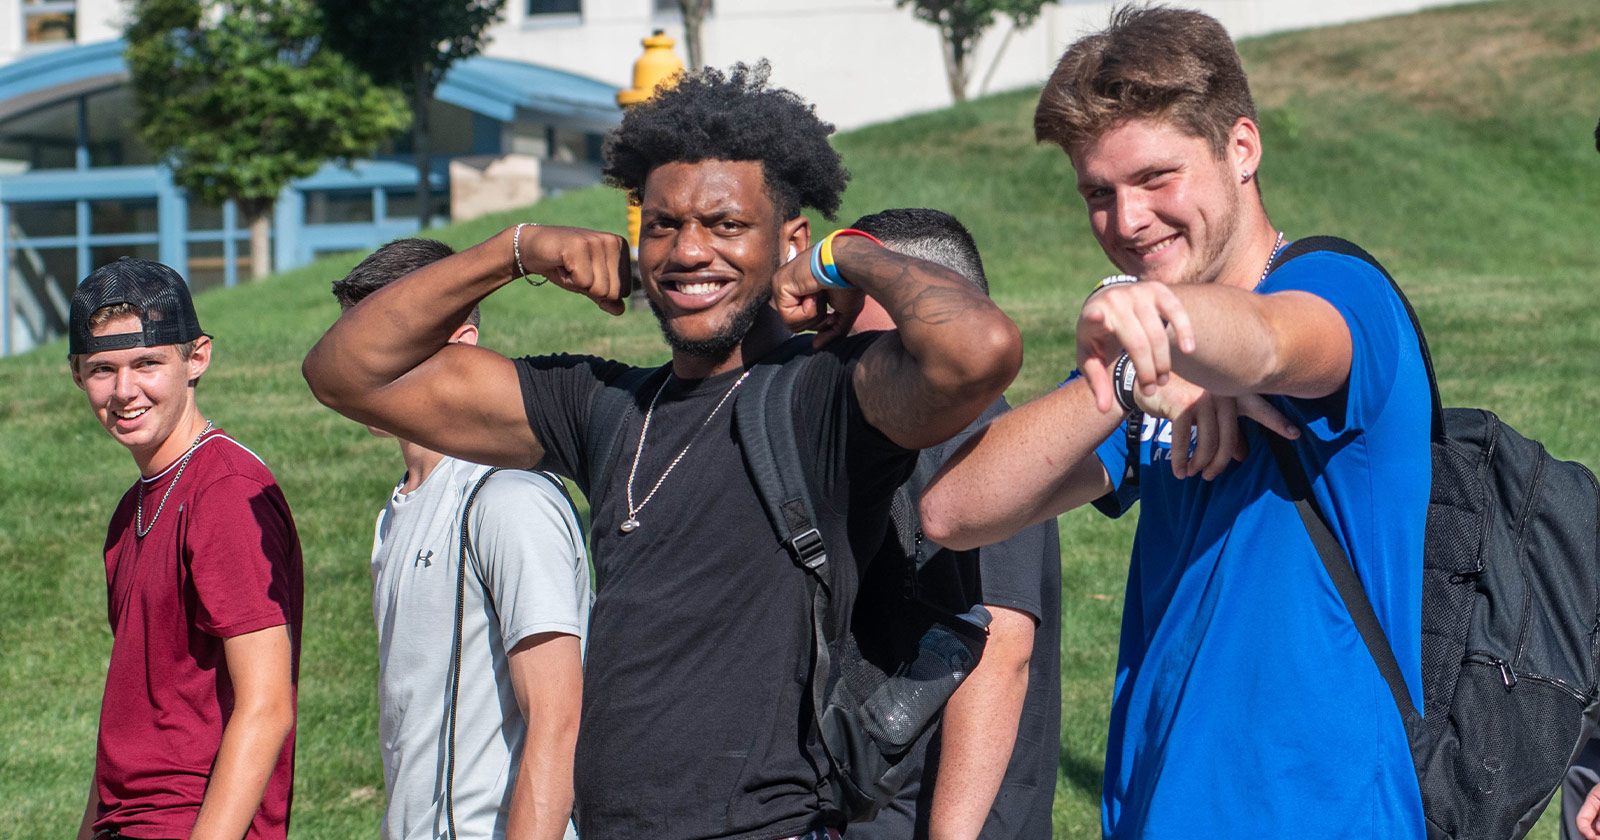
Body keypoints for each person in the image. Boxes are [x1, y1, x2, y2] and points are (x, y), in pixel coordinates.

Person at [302, 62, 1022, 840]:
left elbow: (980, 348)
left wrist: (846, 259)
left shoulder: (824, 399)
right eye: (664, 224)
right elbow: (347, 373)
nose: (688, 252)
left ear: (789, 239)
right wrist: (517, 249)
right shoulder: (603, 405)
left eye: (726, 225)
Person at [919, 6, 1431, 837]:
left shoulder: (1343, 291)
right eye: (1099, 193)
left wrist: (1165, 327)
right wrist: (1131, 377)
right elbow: (955, 512)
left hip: (1320, 812)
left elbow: (1266, 342)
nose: (1126, 222)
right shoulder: (1148, 370)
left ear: (1241, 148)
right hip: (1155, 807)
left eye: (1157, 178)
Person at [330, 238, 589, 840]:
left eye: (383, 343)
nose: (359, 365)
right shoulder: (397, 510)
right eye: (354, 345)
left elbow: (559, 722)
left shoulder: (509, 498)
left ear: (462, 346)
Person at [840, 208, 1060, 840]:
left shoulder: (977, 429)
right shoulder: (888, 426)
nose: (837, 313)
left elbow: (1001, 649)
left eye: (863, 294)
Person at [69, 257, 303, 840]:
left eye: (147, 363)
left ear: (196, 357)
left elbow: (267, 706)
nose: (125, 391)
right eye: (103, 369)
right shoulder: (133, 509)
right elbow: (138, 720)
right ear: (77, 374)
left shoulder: (224, 490)